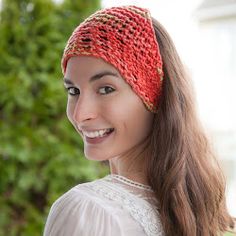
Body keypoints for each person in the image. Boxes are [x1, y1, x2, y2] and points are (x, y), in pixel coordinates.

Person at [43, 5, 235, 236]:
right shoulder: (192, 213)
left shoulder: (88, 210)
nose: (80, 114)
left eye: (105, 89)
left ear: (153, 96)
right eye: (73, 91)